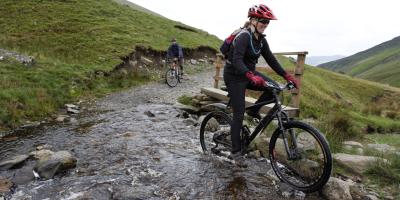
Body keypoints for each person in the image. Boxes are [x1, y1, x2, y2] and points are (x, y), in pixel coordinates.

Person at [223, 4, 298, 167]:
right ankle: (235, 153)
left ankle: (254, 111)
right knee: (238, 113)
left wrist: (287, 76)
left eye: (268, 22)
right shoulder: (244, 36)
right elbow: (236, 60)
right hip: (234, 76)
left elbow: (271, 60)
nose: (265, 24)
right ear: (253, 20)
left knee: (274, 89)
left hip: (248, 73)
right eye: (263, 21)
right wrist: (249, 74)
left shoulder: (261, 41)